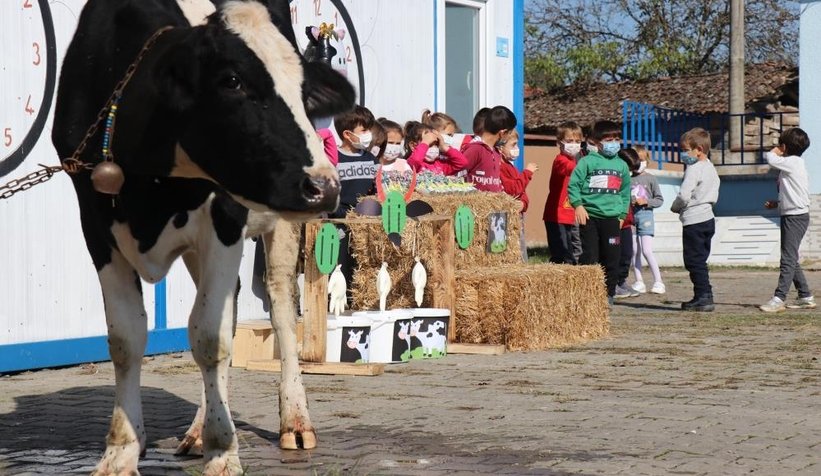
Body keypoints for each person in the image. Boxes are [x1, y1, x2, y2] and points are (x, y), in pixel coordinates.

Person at [567, 120, 631, 306]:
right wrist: (578, 205)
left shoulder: (622, 165)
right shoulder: (587, 162)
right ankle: (588, 295)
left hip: (612, 219)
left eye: (616, 139)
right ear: (596, 142)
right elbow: (574, 185)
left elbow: (625, 193)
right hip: (590, 218)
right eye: (608, 140)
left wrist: (622, 215)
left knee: (612, 257)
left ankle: (608, 294)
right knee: (590, 257)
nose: (613, 143)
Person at [759, 128, 816, 312]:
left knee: (787, 258)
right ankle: (805, 296)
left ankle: (779, 298)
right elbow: (793, 192)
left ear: (785, 146)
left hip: (795, 217)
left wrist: (776, 149)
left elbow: (770, 158)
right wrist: (777, 203)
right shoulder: (793, 164)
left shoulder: (793, 162)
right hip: (791, 214)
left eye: (781, 145)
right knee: (791, 257)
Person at [670, 127, 720, 312]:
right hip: (708, 218)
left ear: (698, 149)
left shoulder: (694, 169)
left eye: (685, 150)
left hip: (694, 220)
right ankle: (704, 294)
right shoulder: (711, 168)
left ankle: (703, 296)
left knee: (693, 260)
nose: (683, 154)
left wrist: (675, 207)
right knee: (701, 259)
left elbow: (684, 195)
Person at [544, 121, 584, 264]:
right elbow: (567, 168)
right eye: (569, 141)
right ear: (559, 143)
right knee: (561, 255)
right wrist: (584, 170)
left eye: (577, 141)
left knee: (572, 253)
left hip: (570, 214)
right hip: (557, 215)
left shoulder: (576, 161)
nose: (574, 145)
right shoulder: (560, 160)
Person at [630, 145, 665, 294]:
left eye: (641, 160)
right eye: (636, 160)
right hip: (631, 218)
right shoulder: (627, 179)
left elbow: (659, 200)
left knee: (646, 250)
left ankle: (659, 281)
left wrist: (646, 201)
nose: (639, 163)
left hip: (646, 217)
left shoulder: (651, 178)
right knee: (634, 251)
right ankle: (639, 281)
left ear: (647, 160)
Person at [498, 129, 538, 262]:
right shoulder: (501, 167)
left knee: (521, 249)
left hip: (517, 215)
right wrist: (527, 173)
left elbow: (522, 192)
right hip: (508, 216)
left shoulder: (511, 167)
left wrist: (524, 203)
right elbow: (514, 189)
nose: (516, 148)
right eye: (513, 145)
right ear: (500, 148)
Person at [462, 105, 517, 192]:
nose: (509, 137)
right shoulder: (475, 149)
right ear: (502, 133)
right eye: (509, 133)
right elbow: (457, 177)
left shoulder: (496, 152)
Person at [614, 148, 640, 299]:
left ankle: (622, 281)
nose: (629, 173)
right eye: (628, 169)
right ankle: (613, 283)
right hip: (615, 222)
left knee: (627, 253)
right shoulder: (613, 179)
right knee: (614, 254)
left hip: (626, 223)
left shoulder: (627, 180)